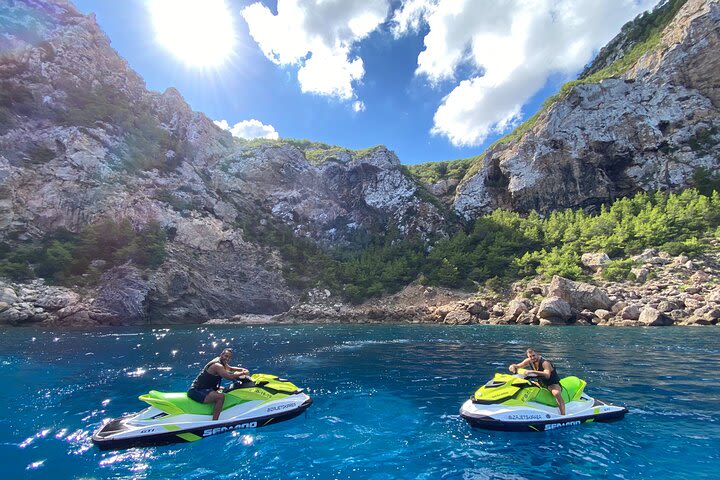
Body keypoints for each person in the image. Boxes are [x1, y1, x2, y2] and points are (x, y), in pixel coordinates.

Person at [187, 348, 250, 421]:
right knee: (220, 397)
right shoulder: (217, 365)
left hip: (205, 388)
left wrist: (242, 369)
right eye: (226, 356)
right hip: (196, 391)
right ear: (221, 355)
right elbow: (228, 376)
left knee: (225, 389)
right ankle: (215, 422)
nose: (227, 358)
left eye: (229, 357)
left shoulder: (222, 362)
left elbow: (230, 369)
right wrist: (243, 373)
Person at [508, 348, 565, 415]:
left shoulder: (545, 363)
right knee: (521, 384)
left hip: (551, 383)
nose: (532, 358)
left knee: (556, 393)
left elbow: (547, 375)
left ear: (537, 354)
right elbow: (517, 366)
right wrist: (512, 367)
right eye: (530, 356)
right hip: (540, 383)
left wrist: (532, 371)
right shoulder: (529, 361)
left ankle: (563, 414)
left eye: (534, 355)